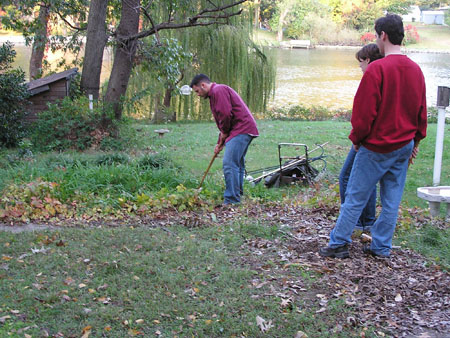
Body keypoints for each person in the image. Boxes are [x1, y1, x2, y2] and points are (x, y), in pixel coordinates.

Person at [319, 14, 427, 258]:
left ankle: (338, 243)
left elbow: (364, 113)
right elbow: (422, 110)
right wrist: (416, 141)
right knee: (391, 200)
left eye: (377, 35)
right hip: (403, 145)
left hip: (377, 146)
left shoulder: (377, 68)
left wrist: (357, 139)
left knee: (355, 196)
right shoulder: (416, 70)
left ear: (383, 35)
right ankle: (381, 247)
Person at [190, 74, 259, 205]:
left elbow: (226, 115)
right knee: (236, 164)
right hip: (242, 129)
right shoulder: (215, 94)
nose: (197, 94)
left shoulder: (218, 90)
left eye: (197, 91)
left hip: (241, 129)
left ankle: (232, 200)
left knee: (229, 163)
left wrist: (225, 133)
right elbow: (223, 121)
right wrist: (219, 142)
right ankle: (237, 196)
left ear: (203, 85)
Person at [339, 44, 383, 232]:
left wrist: (356, 139)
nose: (360, 67)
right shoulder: (384, 76)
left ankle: (353, 221)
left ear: (368, 60)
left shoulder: (373, 76)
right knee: (368, 180)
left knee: (346, 177)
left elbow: (364, 114)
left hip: (367, 139)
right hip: (371, 137)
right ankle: (367, 221)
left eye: (361, 62)